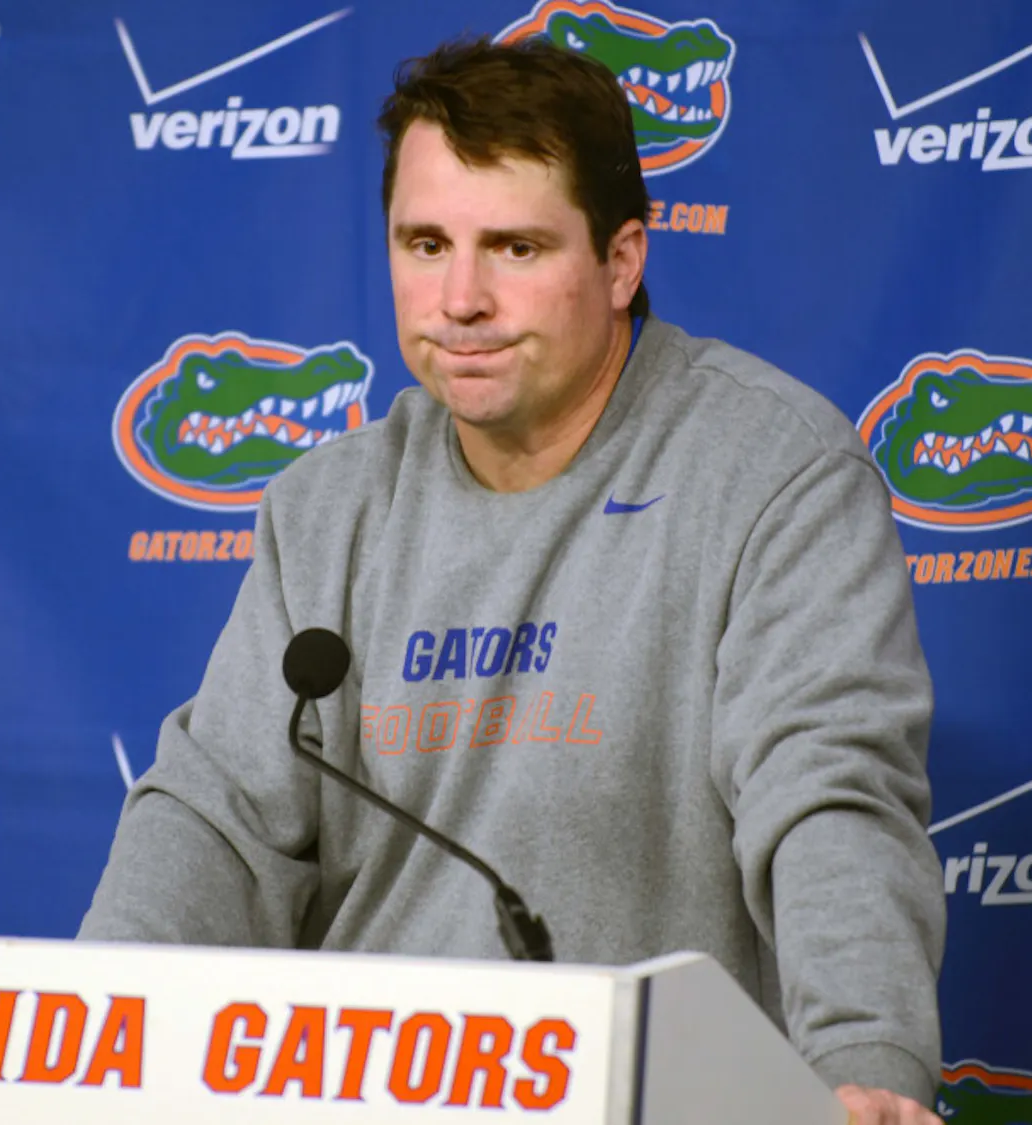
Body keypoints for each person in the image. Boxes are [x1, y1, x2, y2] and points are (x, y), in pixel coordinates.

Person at [82, 36, 945, 1124]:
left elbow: (829, 797)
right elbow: (214, 824)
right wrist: (94, 1036)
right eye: (425, 242)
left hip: (644, 1096)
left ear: (622, 261)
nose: (460, 298)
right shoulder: (328, 506)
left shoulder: (773, 473)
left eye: (517, 248)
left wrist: (863, 1065)